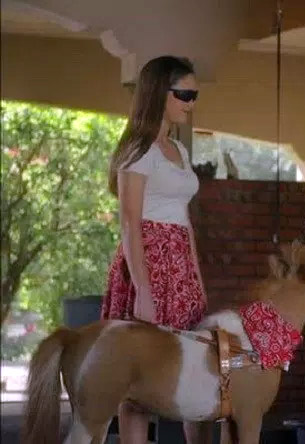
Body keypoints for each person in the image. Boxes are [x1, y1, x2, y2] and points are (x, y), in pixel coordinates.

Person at [102, 55, 206, 444]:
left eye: (195, 96)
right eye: (184, 94)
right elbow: (130, 222)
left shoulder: (179, 149)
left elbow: (185, 221)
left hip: (180, 266)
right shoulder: (138, 148)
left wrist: (196, 279)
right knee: (139, 380)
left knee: (191, 368)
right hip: (148, 263)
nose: (191, 103)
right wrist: (143, 290)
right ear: (159, 92)